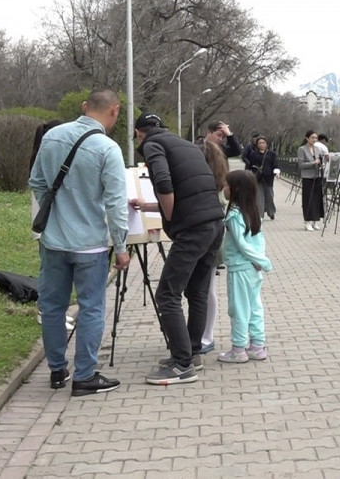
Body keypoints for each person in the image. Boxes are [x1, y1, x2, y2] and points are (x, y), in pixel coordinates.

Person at [29, 89, 130, 396]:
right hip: (90, 245)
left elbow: (35, 181)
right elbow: (115, 203)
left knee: (53, 307)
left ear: (85, 107)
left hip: (54, 241)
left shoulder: (51, 137)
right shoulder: (108, 149)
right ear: (114, 111)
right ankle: (85, 375)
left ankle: (58, 371)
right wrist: (122, 248)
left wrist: (58, 207)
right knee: (91, 308)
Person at [131, 112, 224, 385]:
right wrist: (150, 207)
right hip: (214, 224)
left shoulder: (152, 144)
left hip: (192, 229)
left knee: (167, 294)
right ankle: (192, 353)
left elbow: (163, 182)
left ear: (139, 132)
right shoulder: (184, 144)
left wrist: (168, 216)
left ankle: (182, 365)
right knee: (197, 292)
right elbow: (188, 188)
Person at [218, 170, 273, 363]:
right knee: (254, 306)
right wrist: (259, 260)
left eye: (226, 185)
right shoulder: (252, 210)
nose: (223, 188)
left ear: (235, 190)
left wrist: (261, 261)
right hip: (252, 268)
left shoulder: (234, 214)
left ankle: (238, 349)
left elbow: (241, 245)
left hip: (240, 268)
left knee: (238, 309)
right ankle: (257, 345)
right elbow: (259, 240)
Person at [196, 140, 230, 356]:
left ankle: (206, 335)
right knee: (206, 289)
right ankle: (202, 334)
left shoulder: (213, 186)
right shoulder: (217, 183)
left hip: (208, 241)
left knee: (207, 290)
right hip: (210, 240)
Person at [245, 136, 279, 220]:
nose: (262, 144)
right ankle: (260, 215)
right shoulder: (253, 154)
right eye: (259, 143)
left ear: (266, 144)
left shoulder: (271, 154)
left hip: (268, 178)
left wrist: (277, 172)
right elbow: (249, 166)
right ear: (257, 145)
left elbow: (275, 164)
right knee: (259, 197)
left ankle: (271, 212)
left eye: (263, 143)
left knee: (269, 196)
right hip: (257, 178)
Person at [297, 129, 325, 231]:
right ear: (307, 138)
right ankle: (307, 221)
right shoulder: (302, 149)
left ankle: (315, 221)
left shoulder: (317, 149)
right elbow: (301, 164)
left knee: (317, 199)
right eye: (312, 138)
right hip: (307, 177)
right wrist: (313, 163)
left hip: (317, 176)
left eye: (316, 138)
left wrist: (321, 164)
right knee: (308, 199)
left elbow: (319, 160)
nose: (314, 140)